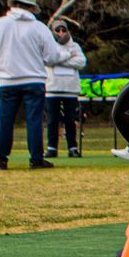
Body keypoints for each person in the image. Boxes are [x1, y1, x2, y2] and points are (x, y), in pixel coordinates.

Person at [0, 0, 73, 170]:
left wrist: (3, 60)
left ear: (14, 4)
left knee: (5, 121)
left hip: (6, 79)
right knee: (34, 121)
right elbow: (51, 56)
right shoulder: (39, 28)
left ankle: (0, 158)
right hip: (33, 79)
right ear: (31, 8)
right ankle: (36, 158)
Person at [44, 19, 87, 158]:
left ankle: (72, 148)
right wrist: (68, 56)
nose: (61, 33)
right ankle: (51, 147)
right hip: (52, 88)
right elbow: (48, 60)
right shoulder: (49, 46)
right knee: (52, 120)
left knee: (70, 120)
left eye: (63, 30)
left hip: (70, 89)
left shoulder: (75, 46)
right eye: (58, 30)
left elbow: (81, 62)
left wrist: (59, 60)